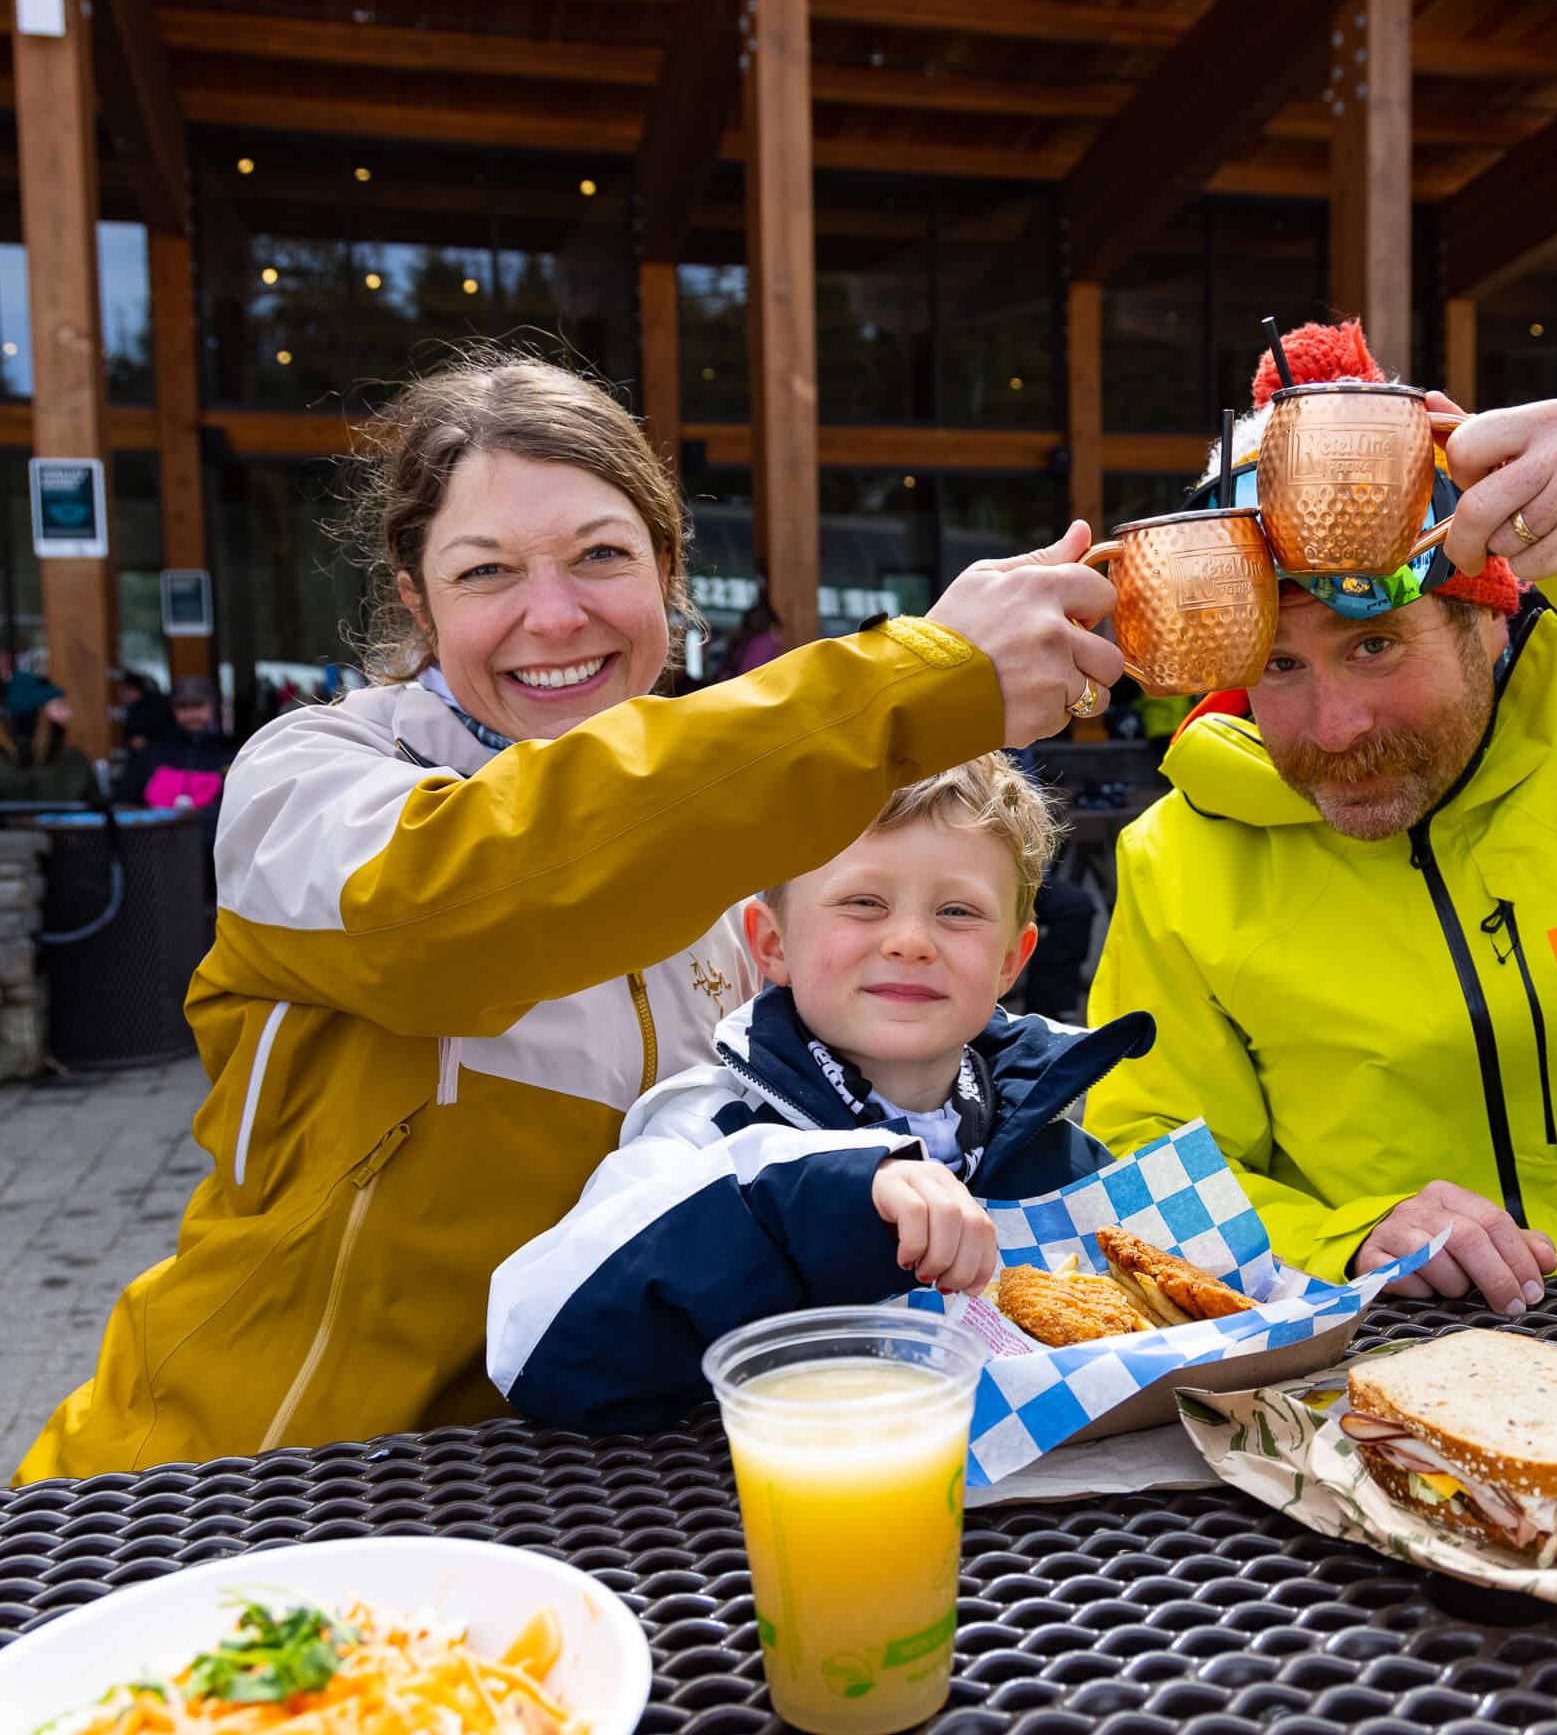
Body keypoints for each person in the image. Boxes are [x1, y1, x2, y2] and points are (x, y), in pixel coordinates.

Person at [15, 352, 1122, 1483]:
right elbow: (463, 905)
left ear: (665, 571)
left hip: (590, 1491)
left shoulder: (747, 847)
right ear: (416, 597)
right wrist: (905, 686)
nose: (554, 615)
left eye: (600, 555)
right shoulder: (309, 777)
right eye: (487, 570)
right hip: (244, 1479)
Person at [1086, 318, 1557, 1316]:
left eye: (1372, 645)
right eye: (1276, 665)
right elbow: (1145, 1171)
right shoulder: (1176, 855)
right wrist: (1349, 1238)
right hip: (1386, 1366)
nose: (1333, 730)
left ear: (1486, 615)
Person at [487, 753, 1153, 1432]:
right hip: (745, 1511)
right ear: (771, 943)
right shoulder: (711, 1129)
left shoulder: (1052, 1147)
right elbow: (531, 1346)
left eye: (957, 910)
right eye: (863, 902)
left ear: (1012, 960)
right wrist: (816, 1192)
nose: (910, 940)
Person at [116, 676, 234, 809]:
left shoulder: (230, 753)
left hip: (212, 827)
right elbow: (126, 802)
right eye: (183, 707)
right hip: (161, 828)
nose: (191, 714)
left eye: (198, 705)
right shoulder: (150, 754)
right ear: (172, 710)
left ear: (212, 707)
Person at [0, 673, 103, 807]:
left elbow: (97, 808)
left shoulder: (74, 759)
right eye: (60, 706)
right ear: (36, 714)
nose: (69, 714)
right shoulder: (72, 761)